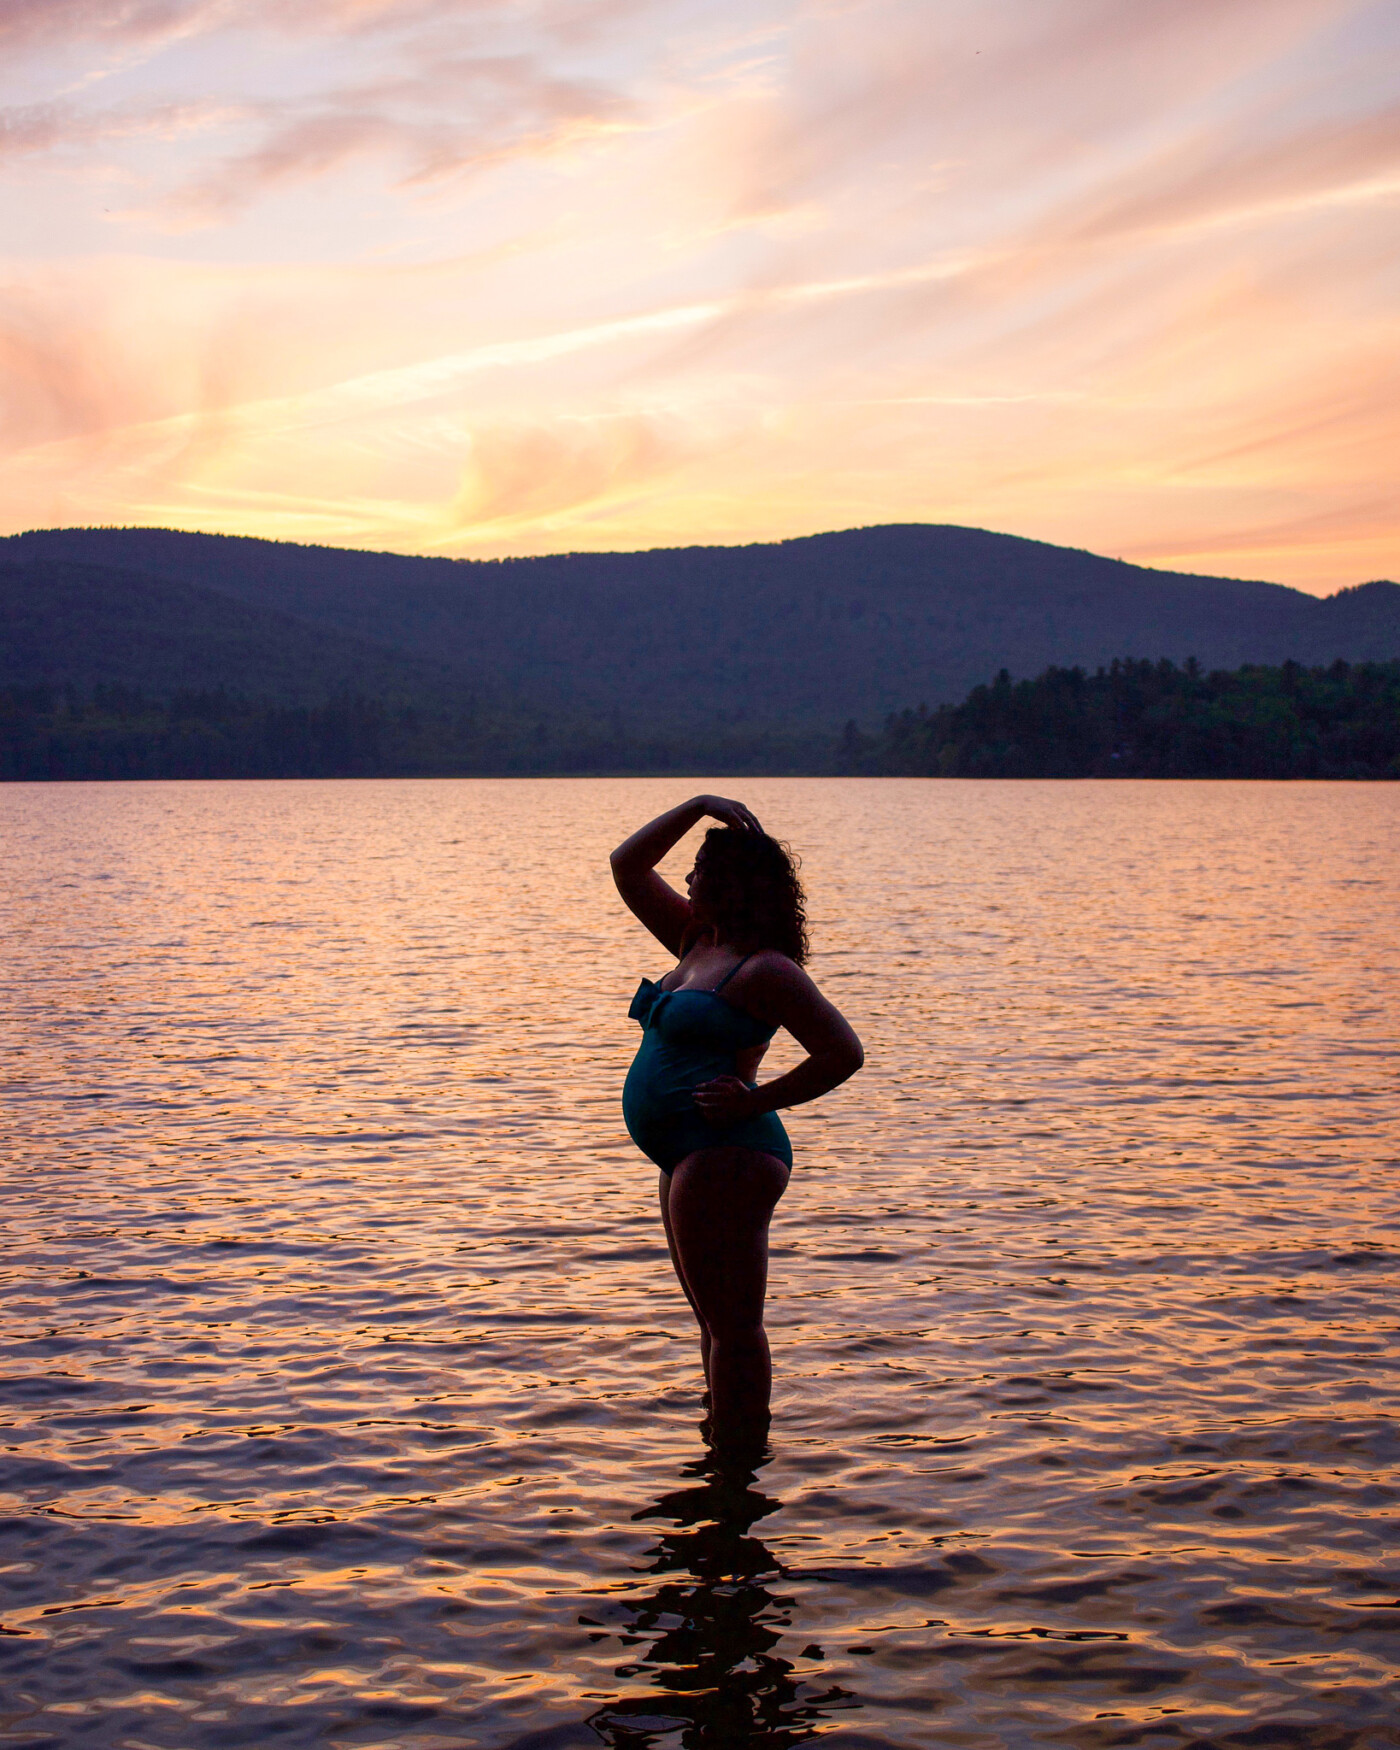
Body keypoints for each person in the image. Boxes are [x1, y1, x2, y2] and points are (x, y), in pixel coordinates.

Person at [610, 794, 864, 1455]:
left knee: (734, 1327)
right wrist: (699, 807)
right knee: (712, 1322)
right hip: (684, 1154)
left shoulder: (768, 969)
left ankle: (739, 1466)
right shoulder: (695, 943)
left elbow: (843, 1052)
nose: (688, 880)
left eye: (699, 871)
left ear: (730, 885)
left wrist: (757, 1101)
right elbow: (627, 866)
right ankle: (721, 1453)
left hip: (729, 1151)